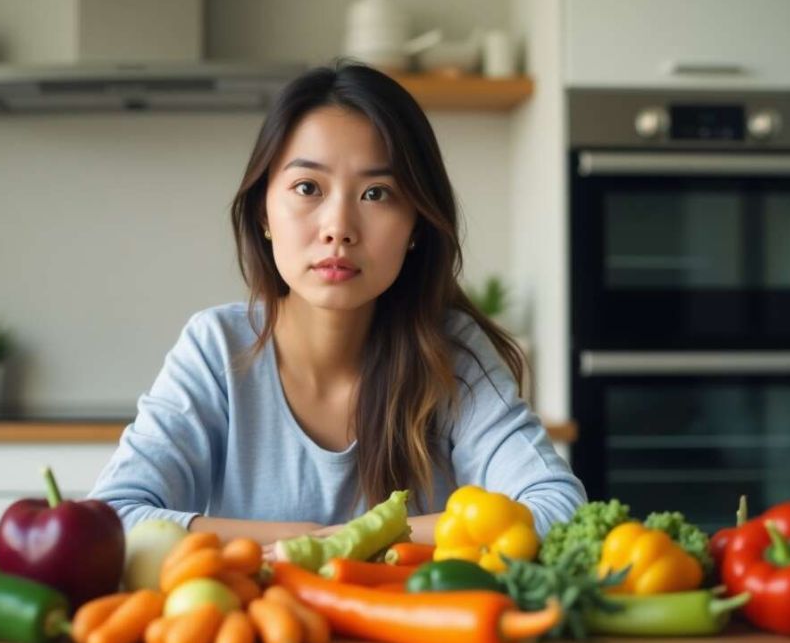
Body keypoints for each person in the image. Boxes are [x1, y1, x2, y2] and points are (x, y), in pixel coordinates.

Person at [88, 62, 585, 550]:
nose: (338, 227)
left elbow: (558, 510)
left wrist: (340, 542)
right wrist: (300, 539)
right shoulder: (217, 347)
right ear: (264, 211)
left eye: (377, 193)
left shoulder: (452, 354)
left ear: (416, 226)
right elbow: (113, 517)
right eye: (308, 188)